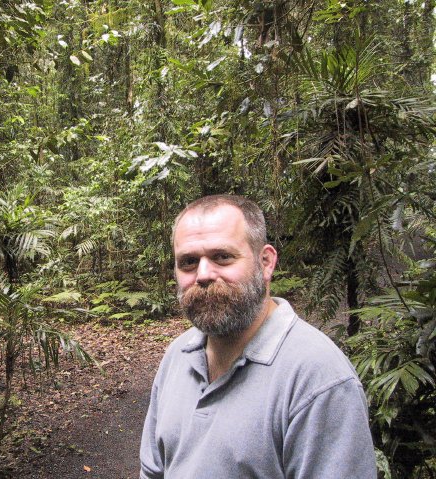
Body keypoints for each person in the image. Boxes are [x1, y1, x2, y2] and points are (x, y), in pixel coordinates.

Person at [139, 194, 376, 479]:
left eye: (222, 257)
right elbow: (153, 471)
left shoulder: (319, 379)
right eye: (188, 262)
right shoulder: (178, 354)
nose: (202, 274)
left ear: (266, 262)